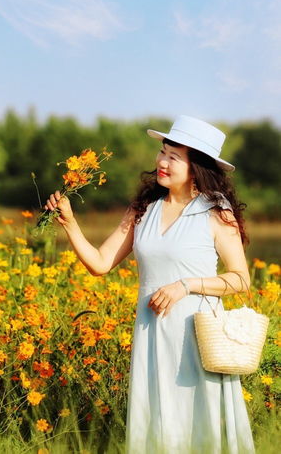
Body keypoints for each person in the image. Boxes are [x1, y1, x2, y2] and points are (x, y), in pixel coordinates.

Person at [45, 115, 255, 454]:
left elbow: (240, 279)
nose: (162, 161)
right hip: (152, 334)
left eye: (174, 156)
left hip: (196, 337)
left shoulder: (215, 212)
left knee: (199, 424)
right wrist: (70, 223)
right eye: (162, 152)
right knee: (156, 423)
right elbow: (100, 264)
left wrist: (185, 285)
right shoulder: (143, 209)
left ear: (196, 166)